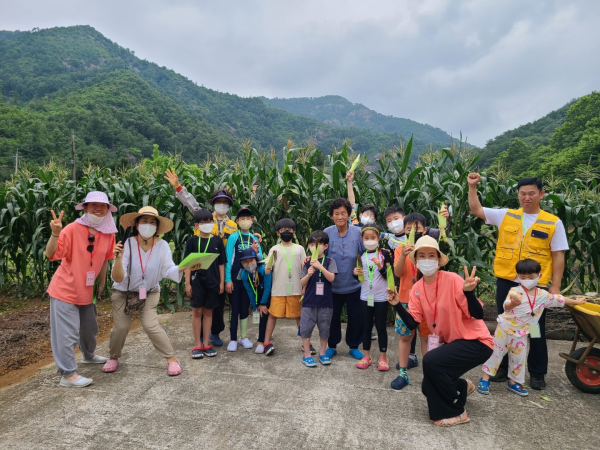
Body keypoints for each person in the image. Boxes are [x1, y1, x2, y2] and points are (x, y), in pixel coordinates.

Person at [468, 174, 569, 390]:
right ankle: (503, 369)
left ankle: (537, 373)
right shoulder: (506, 215)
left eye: (532, 193)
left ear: (541, 194)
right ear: (518, 195)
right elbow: (476, 209)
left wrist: (556, 286)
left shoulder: (553, 222)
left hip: (536, 286)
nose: (527, 197)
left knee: (535, 329)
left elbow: (558, 255)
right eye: (523, 193)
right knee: (505, 325)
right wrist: (472, 186)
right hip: (507, 282)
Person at [389, 236, 494, 427]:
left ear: (438, 260)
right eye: (422, 256)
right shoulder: (417, 289)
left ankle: (457, 412)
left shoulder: (453, 279)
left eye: (431, 255)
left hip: (477, 342)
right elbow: (413, 323)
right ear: (417, 262)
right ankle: (462, 386)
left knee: (430, 361)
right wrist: (397, 305)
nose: (427, 259)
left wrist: (469, 293)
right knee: (427, 387)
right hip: (454, 344)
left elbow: (477, 314)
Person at [165, 169, 260, 347]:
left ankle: (215, 333)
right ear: (213, 204)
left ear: (229, 206)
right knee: (200, 305)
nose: (222, 205)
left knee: (216, 303)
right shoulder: (206, 219)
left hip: (221, 268)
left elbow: (241, 238)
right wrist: (178, 187)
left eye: (225, 203)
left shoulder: (233, 225)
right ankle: (200, 336)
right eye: (219, 202)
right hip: (201, 268)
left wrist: (254, 237)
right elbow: (191, 205)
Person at [104, 206, 196, 376]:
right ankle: (114, 357)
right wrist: (118, 258)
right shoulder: (127, 244)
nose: (148, 225)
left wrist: (185, 266)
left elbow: (168, 270)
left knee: (150, 325)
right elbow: (117, 278)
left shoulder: (161, 246)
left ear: (157, 227)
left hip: (150, 291)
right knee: (121, 327)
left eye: (152, 222)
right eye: (144, 221)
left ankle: (172, 359)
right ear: (136, 225)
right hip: (124, 293)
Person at [478, 259, 586, 397]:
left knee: (519, 358)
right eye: (523, 277)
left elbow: (560, 300)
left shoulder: (543, 295)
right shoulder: (515, 291)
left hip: (522, 333)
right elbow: (506, 306)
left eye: (531, 277)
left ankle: (513, 382)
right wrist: (513, 303)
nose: (527, 280)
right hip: (504, 330)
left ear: (539, 276)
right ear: (518, 277)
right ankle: (485, 379)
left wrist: (576, 302)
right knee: (496, 354)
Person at [45, 191, 116, 387]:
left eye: (103, 206)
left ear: (108, 209)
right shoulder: (71, 229)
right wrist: (55, 232)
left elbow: (104, 261)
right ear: (84, 207)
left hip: (89, 289)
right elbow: (51, 254)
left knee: (89, 328)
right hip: (65, 289)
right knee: (67, 334)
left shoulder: (108, 233)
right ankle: (67, 374)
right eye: (93, 205)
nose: (98, 209)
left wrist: (101, 284)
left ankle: (88, 355)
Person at [324, 198, 366, 359]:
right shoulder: (327, 232)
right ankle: (332, 345)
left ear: (349, 215)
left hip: (354, 285)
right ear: (332, 216)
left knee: (356, 317)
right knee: (332, 318)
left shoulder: (357, 233)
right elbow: (322, 255)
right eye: (336, 214)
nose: (340, 216)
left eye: (343, 213)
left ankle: (354, 345)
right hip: (333, 286)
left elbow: (365, 253)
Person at [183, 209, 226, 359]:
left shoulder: (217, 241)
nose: (207, 224)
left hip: (213, 281)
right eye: (203, 222)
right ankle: (197, 344)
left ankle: (207, 343)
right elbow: (187, 264)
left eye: (209, 221)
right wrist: (187, 283)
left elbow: (221, 263)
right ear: (196, 225)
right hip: (197, 282)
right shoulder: (192, 241)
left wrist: (222, 282)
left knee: (208, 312)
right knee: (197, 311)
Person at [263, 219, 306, 356]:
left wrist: (304, 287)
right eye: (283, 230)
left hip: (297, 288)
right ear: (278, 233)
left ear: (294, 232)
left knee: (299, 316)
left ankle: (305, 343)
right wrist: (267, 269)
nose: (286, 232)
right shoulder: (274, 249)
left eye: (289, 230)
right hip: (278, 289)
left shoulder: (300, 249)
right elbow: (267, 268)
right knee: (273, 315)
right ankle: (266, 342)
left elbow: (304, 268)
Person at [353, 226, 392, 371]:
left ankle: (383, 358)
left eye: (373, 238)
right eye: (366, 238)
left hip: (381, 297)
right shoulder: (360, 256)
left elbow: (389, 276)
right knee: (366, 327)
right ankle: (366, 356)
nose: (370, 241)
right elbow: (360, 278)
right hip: (365, 297)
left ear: (379, 239)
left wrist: (380, 266)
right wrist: (354, 273)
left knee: (381, 327)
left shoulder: (384, 254)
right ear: (362, 240)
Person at [224, 207, 263, 351]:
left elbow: (260, 259)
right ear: (237, 221)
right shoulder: (234, 237)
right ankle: (233, 339)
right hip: (235, 280)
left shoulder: (254, 238)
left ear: (252, 221)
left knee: (245, 309)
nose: (245, 221)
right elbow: (228, 259)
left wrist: (257, 251)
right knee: (235, 309)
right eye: (242, 218)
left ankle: (243, 337)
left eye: (248, 218)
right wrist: (228, 279)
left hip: (249, 282)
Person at [299, 231, 338, 367]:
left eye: (317, 244)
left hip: (325, 302)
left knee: (324, 328)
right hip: (309, 302)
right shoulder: (307, 263)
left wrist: (320, 267)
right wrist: (309, 274)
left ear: (325, 246)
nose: (314, 247)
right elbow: (302, 283)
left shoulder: (330, 261)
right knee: (306, 328)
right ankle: (307, 355)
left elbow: (331, 278)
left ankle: (322, 352)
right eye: (311, 244)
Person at [238, 248, 272, 354]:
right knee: (262, 315)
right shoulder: (244, 275)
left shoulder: (264, 269)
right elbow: (250, 292)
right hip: (258, 296)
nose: (249, 264)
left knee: (265, 315)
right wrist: (255, 306)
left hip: (269, 294)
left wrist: (262, 303)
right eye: (245, 262)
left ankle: (261, 342)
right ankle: (264, 337)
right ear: (242, 264)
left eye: (251, 260)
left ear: (256, 260)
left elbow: (267, 287)